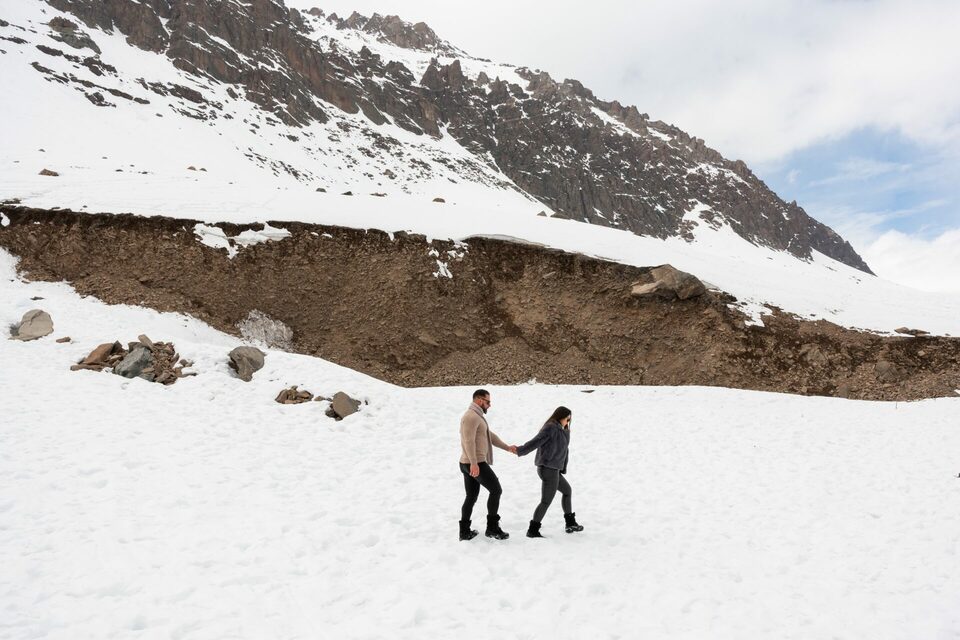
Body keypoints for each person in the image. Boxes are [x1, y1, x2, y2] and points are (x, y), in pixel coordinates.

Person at [516, 406, 583, 538]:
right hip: (548, 469)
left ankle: (570, 523)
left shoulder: (561, 430)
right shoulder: (551, 427)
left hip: (554, 469)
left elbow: (564, 450)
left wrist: (566, 431)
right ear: (560, 416)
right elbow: (536, 441)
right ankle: (533, 530)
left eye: (570, 420)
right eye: (567, 419)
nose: (568, 421)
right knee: (546, 501)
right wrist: (520, 450)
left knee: (567, 491)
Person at [459, 389, 516, 541]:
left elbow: (489, 436)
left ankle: (464, 532)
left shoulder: (477, 416)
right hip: (475, 462)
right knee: (496, 490)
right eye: (488, 401)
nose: (489, 405)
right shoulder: (471, 417)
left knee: (471, 496)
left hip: (469, 463)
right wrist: (474, 463)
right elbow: (468, 441)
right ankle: (492, 528)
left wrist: (507, 447)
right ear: (479, 400)